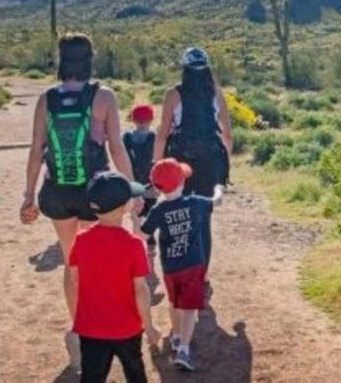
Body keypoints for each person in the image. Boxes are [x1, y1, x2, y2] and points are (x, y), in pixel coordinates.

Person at [19, 33, 137, 369]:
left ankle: (78, 331)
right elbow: (116, 147)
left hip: (57, 192)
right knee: (98, 261)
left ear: (61, 61)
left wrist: (29, 195)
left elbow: (36, 151)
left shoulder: (46, 99)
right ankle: (99, 329)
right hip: (93, 190)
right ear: (89, 60)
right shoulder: (103, 97)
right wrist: (130, 186)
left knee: (73, 262)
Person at [153, 47, 232, 298]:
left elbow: (163, 133)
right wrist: (224, 166)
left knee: (179, 217)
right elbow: (227, 134)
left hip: (181, 164)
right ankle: (202, 278)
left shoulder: (173, 94)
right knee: (203, 220)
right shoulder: (216, 94)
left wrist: (158, 169)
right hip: (209, 163)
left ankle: (180, 274)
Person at [69, 171, 160, 382]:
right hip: (127, 328)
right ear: (125, 206)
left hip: (91, 327)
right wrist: (149, 326)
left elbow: (75, 279)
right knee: (135, 372)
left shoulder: (81, 240)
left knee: (92, 375)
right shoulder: (134, 244)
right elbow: (140, 290)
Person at [141, 158, 222, 373]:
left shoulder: (158, 211)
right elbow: (216, 201)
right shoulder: (195, 202)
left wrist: (135, 213)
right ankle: (184, 350)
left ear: (157, 187)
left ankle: (176, 336)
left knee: (174, 302)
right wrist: (218, 189)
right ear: (182, 183)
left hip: (170, 268)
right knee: (188, 309)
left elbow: (141, 234)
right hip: (193, 265)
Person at [123, 105, 158, 248]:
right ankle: (149, 236)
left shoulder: (126, 137)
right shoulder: (155, 137)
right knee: (150, 210)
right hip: (151, 181)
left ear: (133, 120)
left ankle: (136, 238)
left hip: (132, 181)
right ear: (151, 120)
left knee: (135, 213)